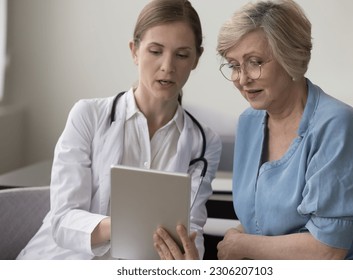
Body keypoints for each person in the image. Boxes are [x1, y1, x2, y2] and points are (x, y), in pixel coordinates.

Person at [17, 0, 221, 260]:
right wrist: (127, 228)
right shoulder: (88, 116)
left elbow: (192, 227)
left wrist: (190, 260)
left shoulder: (204, 143)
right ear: (134, 51)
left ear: (196, 59)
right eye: (155, 51)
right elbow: (63, 220)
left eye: (182, 55)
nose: (168, 66)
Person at [215, 0, 353, 259]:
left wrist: (241, 245)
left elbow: (327, 251)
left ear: (291, 57)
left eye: (254, 62)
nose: (242, 79)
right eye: (234, 65)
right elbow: (264, 219)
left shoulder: (337, 126)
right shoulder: (249, 123)